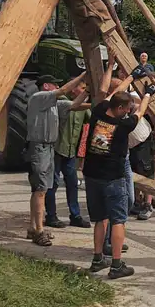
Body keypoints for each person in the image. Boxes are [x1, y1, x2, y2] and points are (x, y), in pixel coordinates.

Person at [83, 88, 151, 279]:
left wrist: (129, 78)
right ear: (120, 108)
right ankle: (116, 265)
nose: (129, 111)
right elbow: (141, 112)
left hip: (92, 176)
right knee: (119, 220)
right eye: (127, 108)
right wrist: (147, 95)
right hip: (113, 177)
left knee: (99, 218)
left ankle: (97, 259)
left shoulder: (98, 112)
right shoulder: (123, 125)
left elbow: (108, 96)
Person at [25, 73, 85, 246]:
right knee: (41, 189)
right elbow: (66, 90)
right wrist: (83, 74)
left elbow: (76, 105)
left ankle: (33, 227)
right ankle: (39, 230)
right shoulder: (38, 98)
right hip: (39, 147)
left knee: (39, 189)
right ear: (46, 86)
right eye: (54, 85)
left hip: (49, 147)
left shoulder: (53, 105)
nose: (58, 88)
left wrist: (88, 90)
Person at [46, 81, 91, 230]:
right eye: (83, 88)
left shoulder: (84, 109)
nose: (84, 91)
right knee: (52, 184)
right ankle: (51, 216)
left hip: (71, 152)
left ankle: (75, 215)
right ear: (73, 90)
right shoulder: (62, 103)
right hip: (57, 150)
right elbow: (76, 105)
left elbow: (91, 118)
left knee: (72, 184)